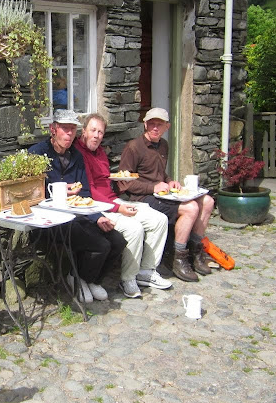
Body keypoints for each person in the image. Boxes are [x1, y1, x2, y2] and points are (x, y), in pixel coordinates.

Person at [28, 109, 126, 303]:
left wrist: (98, 217)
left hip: (77, 216)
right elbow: (30, 192)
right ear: (53, 129)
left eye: (72, 129)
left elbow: (86, 194)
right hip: (49, 221)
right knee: (100, 245)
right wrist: (58, 191)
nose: (69, 134)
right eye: (65, 129)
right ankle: (77, 277)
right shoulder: (37, 154)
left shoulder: (76, 156)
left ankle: (89, 279)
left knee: (117, 241)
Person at [74, 113, 172, 298]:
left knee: (159, 219)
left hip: (113, 200)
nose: (96, 135)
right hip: (97, 206)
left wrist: (121, 184)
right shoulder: (79, 154)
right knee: (134, 228)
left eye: (100, 132)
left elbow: (106, 182)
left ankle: (146, 271)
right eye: (93, 130)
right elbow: (89, 190)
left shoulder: (100, 152)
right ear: (84, 131)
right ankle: (128, 278)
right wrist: (117, 208)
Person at [117, 108, 215, 282]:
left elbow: (160, 174)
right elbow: (124, 183)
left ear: (166, 127)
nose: (155, 128)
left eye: (159, 125)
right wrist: (153, 188)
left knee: (207, 201)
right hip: (142, 198)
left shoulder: (163, 145)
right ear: (145, 124)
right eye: (151, 124)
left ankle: (196, 251)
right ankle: (179, 258)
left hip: (163, 195)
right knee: (191, 208)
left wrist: (170, 181)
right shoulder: (134, 147)